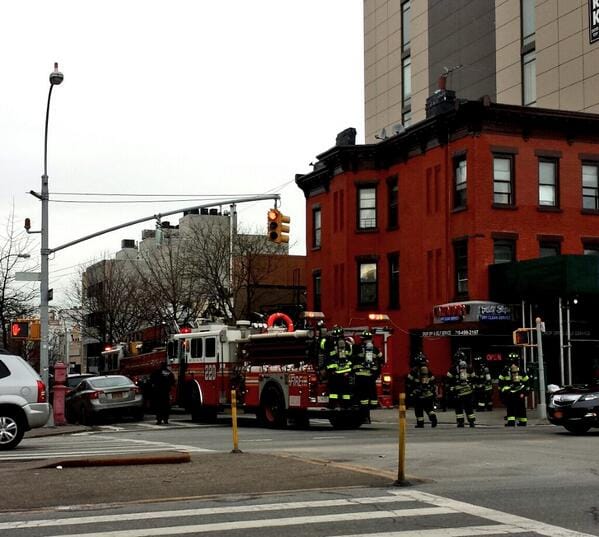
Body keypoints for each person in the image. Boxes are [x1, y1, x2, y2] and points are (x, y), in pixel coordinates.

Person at [320, 326, 353, 408]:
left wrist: (325, 337)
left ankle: (332, 405)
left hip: (334, 372)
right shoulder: (347, 344)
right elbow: (350, 355)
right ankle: (346, 405)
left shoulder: (330, 344)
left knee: (333, 391)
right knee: (345, 391)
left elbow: (322, 345)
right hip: (346, 372)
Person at [352, 330, 383, 410]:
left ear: (362, 339)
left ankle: (363, 406)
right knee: (372, 391)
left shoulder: (356, 348)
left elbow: (352, 360)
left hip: (360, 375)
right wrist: (377, 373)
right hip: (371, 375)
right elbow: (381, 361)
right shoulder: (375, 349)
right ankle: (373, 405)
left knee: (362, 392)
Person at [406, 352, 437, 428]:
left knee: (418, 410)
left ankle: (420, 423)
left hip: (418, 395)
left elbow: (409, 381)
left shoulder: (414, 371)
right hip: (428, 394)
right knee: (429, 409)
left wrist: (411, 392)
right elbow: (433, 380)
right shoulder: (428, 371)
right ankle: (433, 418)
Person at [446, 355, 476, 427]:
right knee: (469, 408)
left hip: (458, 393)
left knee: (459, 408)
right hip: (468, 392)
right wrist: (472, 387)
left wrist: (451, 389)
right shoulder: (469, 368)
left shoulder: (453, 368)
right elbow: (474, 378)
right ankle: (471, 422)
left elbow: (448, 380)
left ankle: (460, 423)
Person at [502, 359, 532, 426]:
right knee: (521, 407)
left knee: (511, 407)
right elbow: (527, 382)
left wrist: (504, 391)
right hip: (519, 393)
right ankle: (523, 422)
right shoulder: (521, 371)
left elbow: (501, 382)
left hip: (511, 393)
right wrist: (524, 392)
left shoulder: (506, 370)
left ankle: (511, 422)